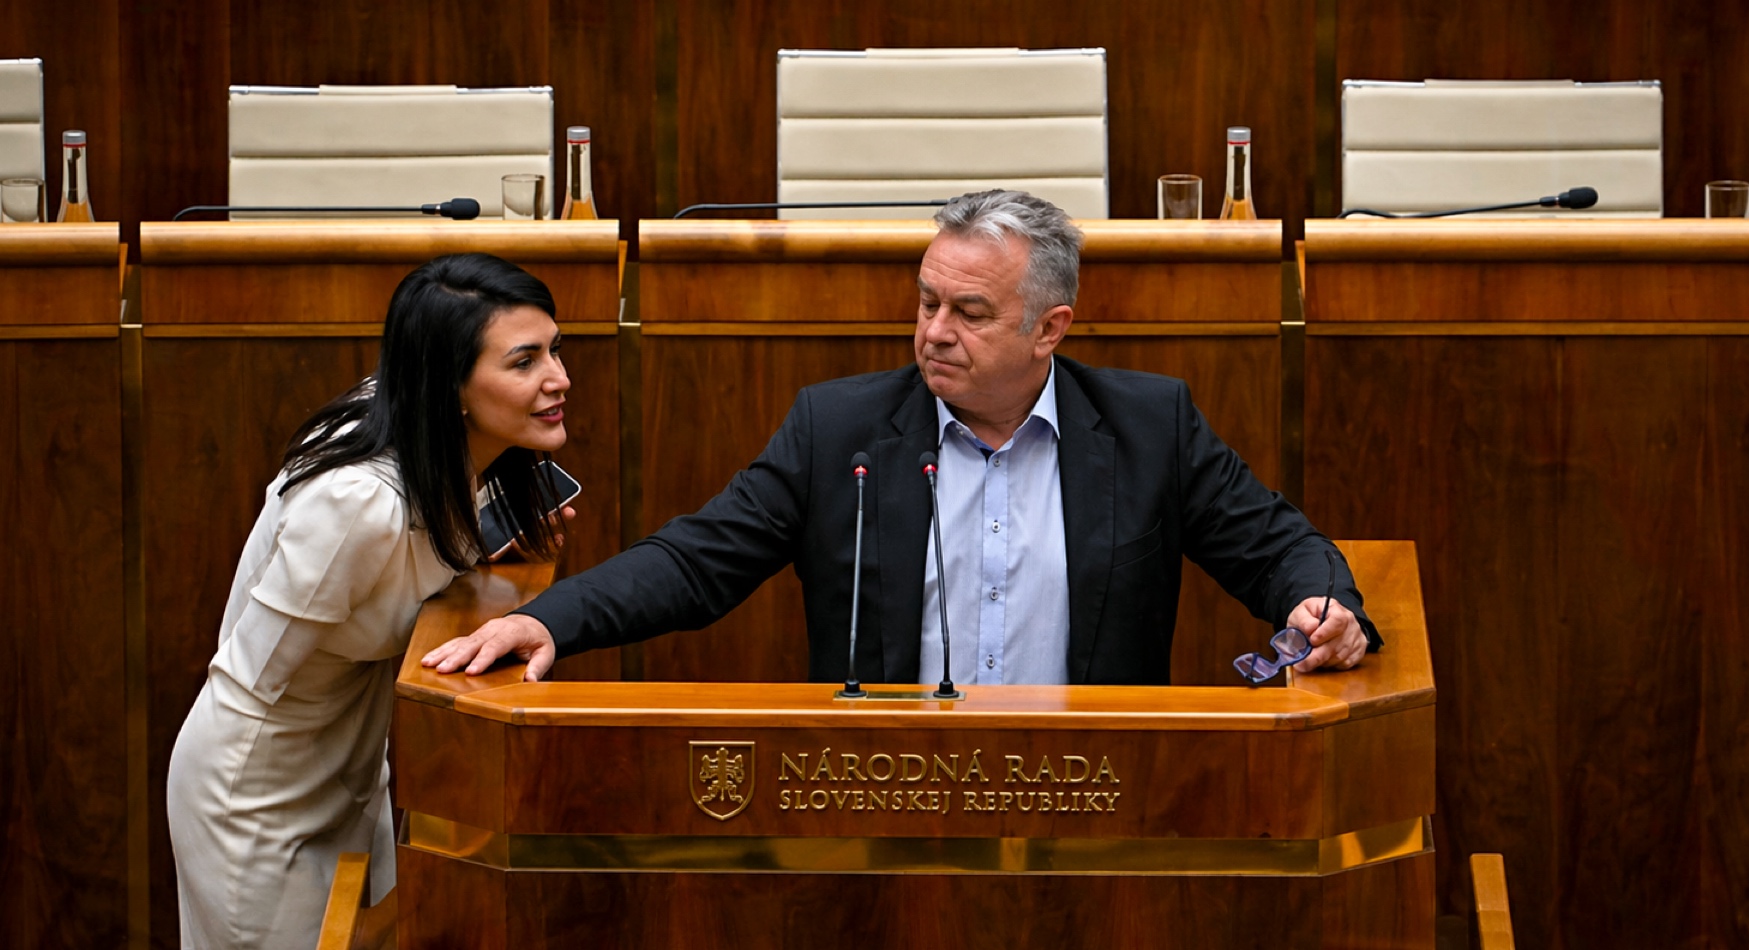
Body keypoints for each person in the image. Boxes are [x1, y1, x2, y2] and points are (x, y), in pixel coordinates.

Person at [425, 190, 1378, 687]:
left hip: (1094, 802)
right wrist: (550, 619)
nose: (933, 331)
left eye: (969, 312)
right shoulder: (839, 428)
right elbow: (696, 561)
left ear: (1051, 329)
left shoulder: (1146, 425)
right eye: (927, 301)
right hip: (889, 800)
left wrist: (1323, 606)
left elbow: (1279, 546)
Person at [167, 253, 573, 949]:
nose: (558, 379)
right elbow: (252, 678)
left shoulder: (429, 437)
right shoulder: (357, 506)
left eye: (555, 350)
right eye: (524, 361)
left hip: (352, 766)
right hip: (259, 801)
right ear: (449, 385)